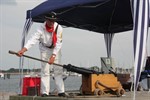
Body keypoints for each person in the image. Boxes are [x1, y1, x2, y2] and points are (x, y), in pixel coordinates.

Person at [17, 12, 68, 97]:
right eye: (50, 20)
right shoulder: (41, 28)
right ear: (46, 20)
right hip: (44, 49)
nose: (52, 23)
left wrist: (54, 55)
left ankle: (61, 91)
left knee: (58, 70)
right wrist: (23, 50)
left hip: (56, 49)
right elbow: (33, 39)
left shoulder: (59, 28)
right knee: (45, 71)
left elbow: (59, 43)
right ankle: (45, 92)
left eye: (53, 21)